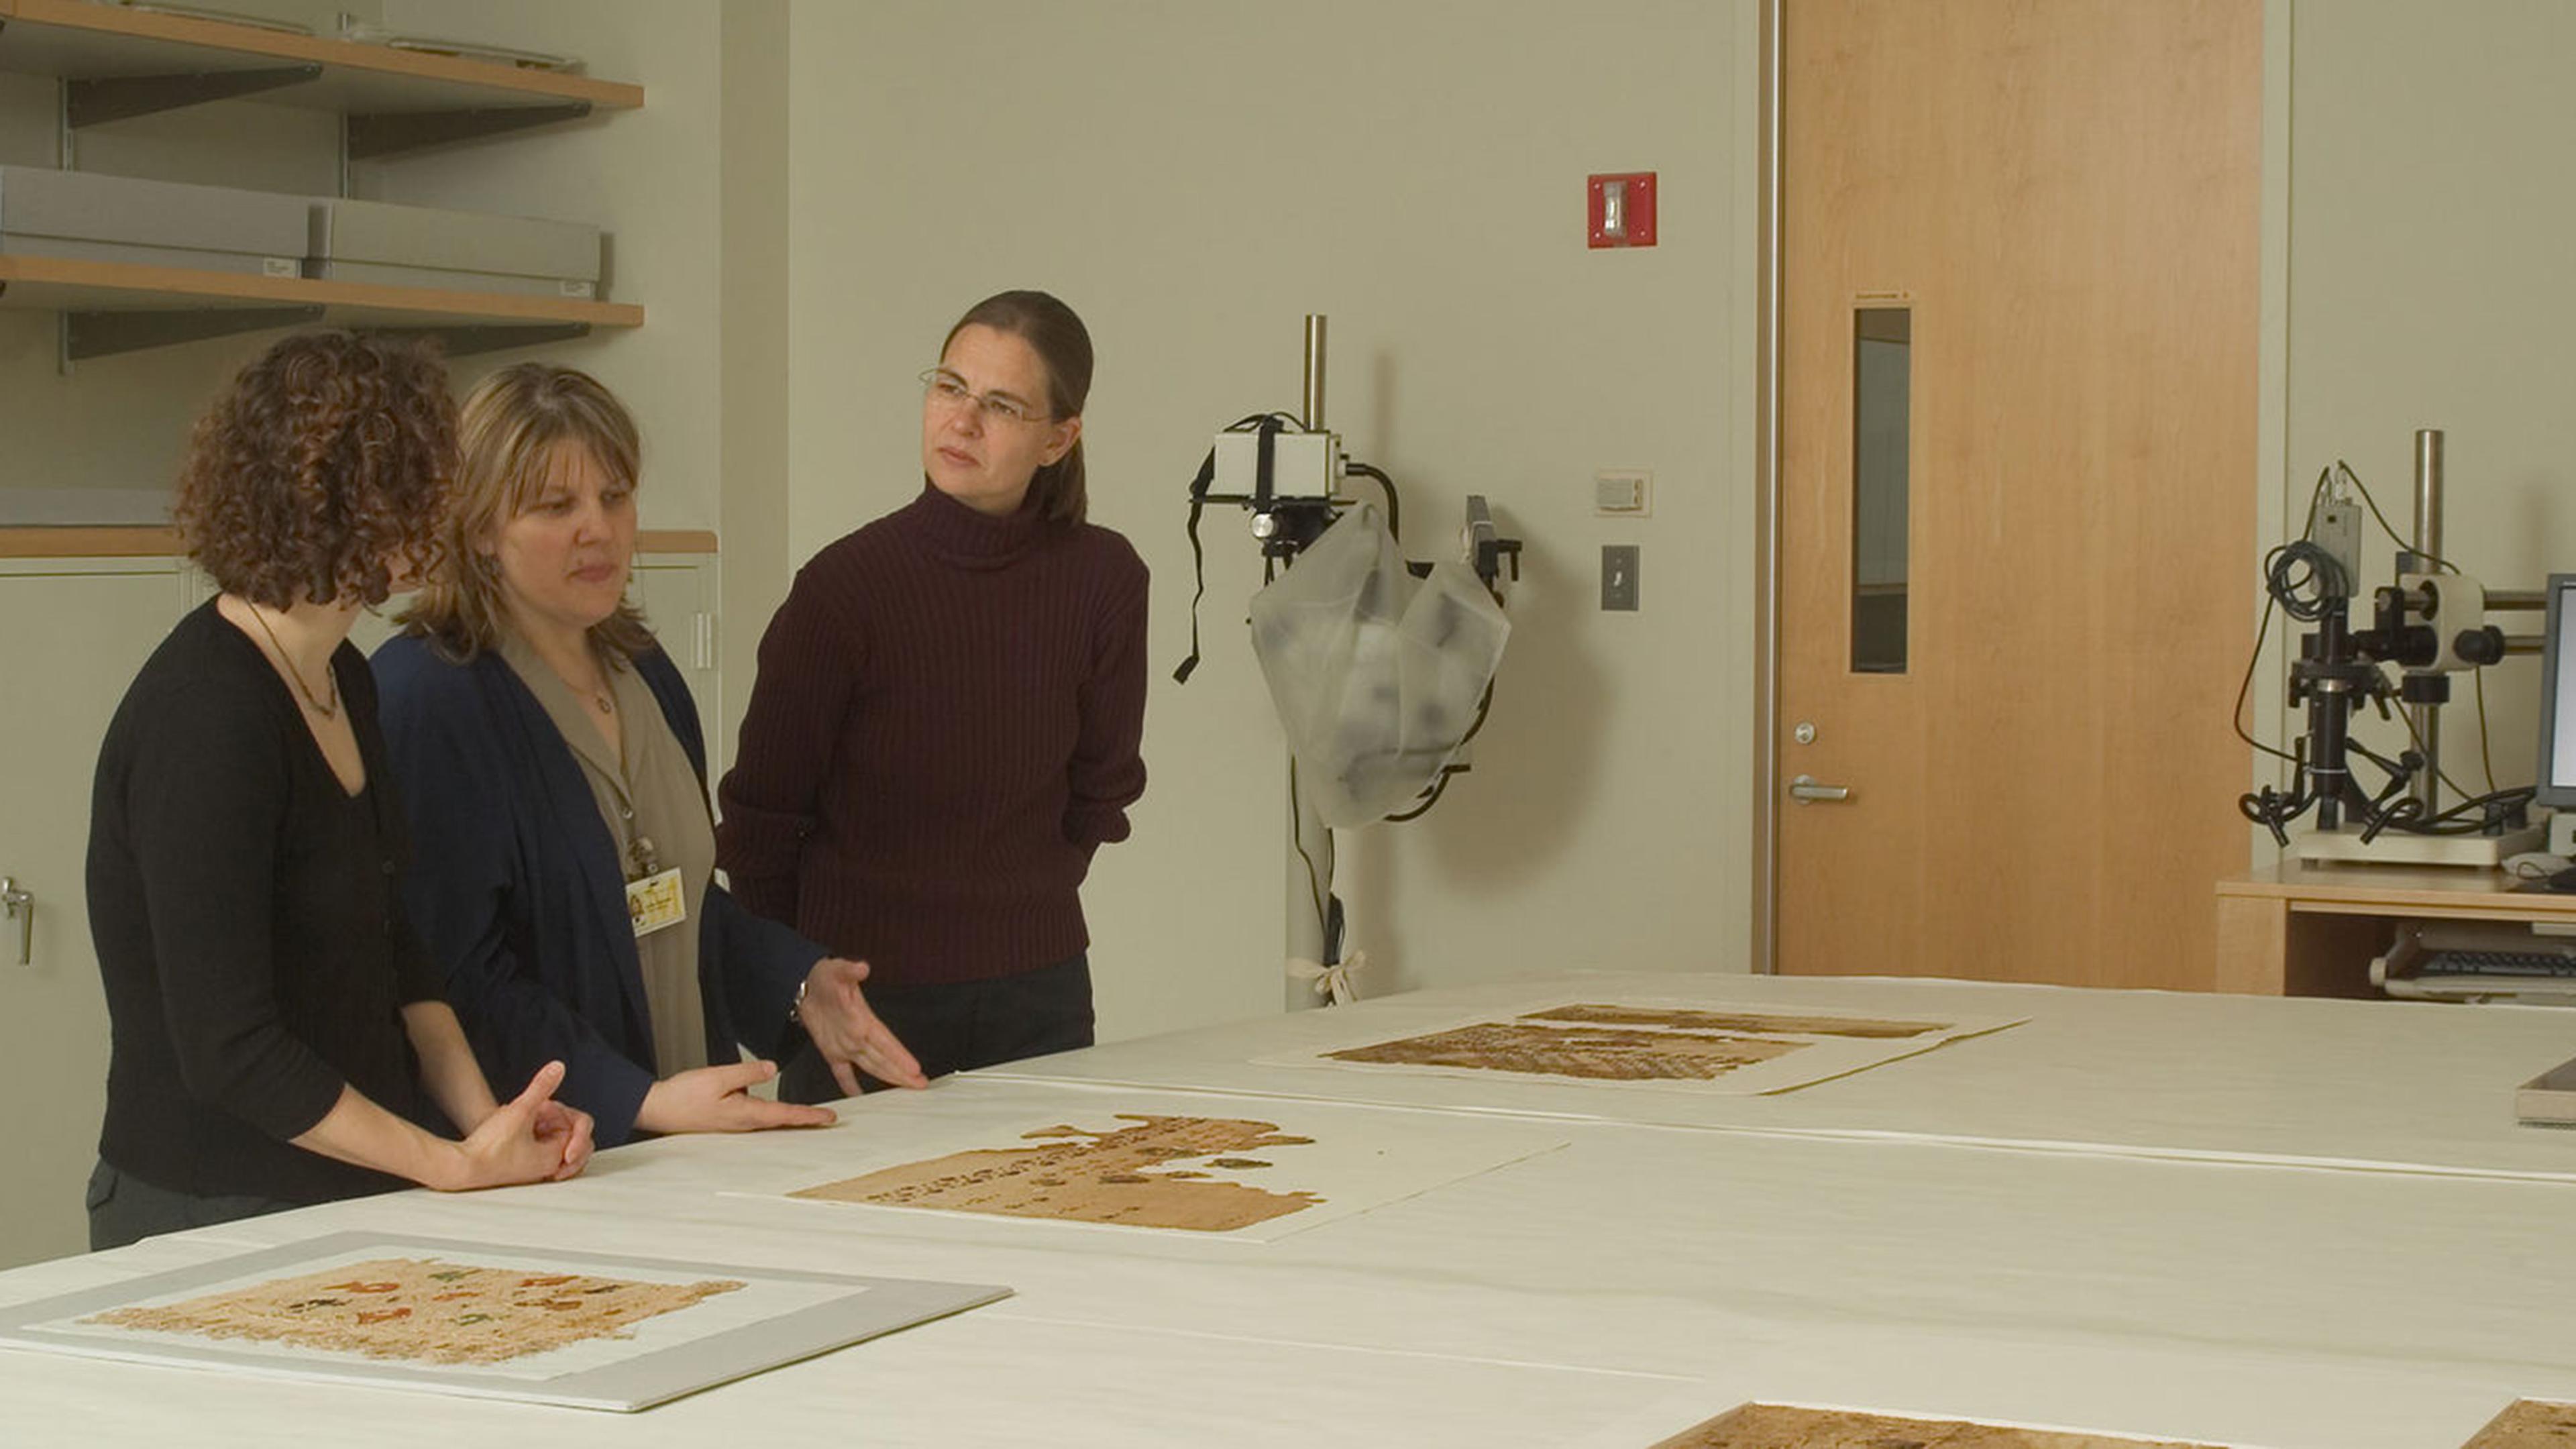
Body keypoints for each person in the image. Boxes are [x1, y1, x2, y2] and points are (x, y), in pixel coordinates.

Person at [86, 331, 593, 1252]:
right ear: (341, 504)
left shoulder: (345, 677)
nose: (445, 512)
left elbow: (394, 944)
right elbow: (230, 1050)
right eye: (420, 487)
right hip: (210, 1206)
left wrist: (488, 1129)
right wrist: (446, 1164)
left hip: (348, 1189)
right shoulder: (207, 717)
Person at [374, 363, 922, 1150]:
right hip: (546, 1149)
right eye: (556, 506)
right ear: (480, 528)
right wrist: (639, 1099)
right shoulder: (431, 697)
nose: (597, 529)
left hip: (678, 1137)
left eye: (614, 496)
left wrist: (798, 982)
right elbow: (451, 978)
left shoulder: (646, 671)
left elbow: (671, 896)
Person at [718, 289, 1148, 1102]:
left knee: (1050, 1220)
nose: (961, 422)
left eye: (1002, 405)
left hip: (1039, 995)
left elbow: (1102, 787)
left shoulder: (1106, 580)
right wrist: (804, 987)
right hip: (865, 1002)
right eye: (949, 387)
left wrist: (1019, 905)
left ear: (1059, 438)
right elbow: (761, 824)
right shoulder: (844, 589)